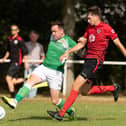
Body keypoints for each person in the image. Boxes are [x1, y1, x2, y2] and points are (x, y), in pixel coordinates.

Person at [46, 6, 126, 121]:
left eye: (89, 18)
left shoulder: (106, 28)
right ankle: (113, 88)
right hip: (87, 61)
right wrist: (68, 51)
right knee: (84, 91)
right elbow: (81, 44)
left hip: (95, 62)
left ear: (96, 16)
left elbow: (118, 44)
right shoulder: (89, 28)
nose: (88, 20)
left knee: (75, 85)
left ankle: (61, 114)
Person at [1, 21, 76, 119]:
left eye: (55, 31)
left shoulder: (68, 41)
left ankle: (70, 111)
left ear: (61, 31)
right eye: (52, 31)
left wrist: (69, 53)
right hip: (44, 67)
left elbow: (79, 49)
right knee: (30, 81)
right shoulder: (52, 36)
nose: (53, 34)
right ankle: (14, 101)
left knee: (55, 100)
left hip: (56, 72)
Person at [0, 24, 29, 98]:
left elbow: (25, 52)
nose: (13, 31)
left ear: (18, 31)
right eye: (12, 30)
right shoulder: (10, 39)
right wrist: (4, 58)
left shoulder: (20, 40)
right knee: (13, 81)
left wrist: (26, 63)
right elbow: (8, 51)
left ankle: (13, 96)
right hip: (12, 61)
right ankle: (26, 79)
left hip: (17, 62)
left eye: (15, 30)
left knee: (8, 78)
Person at [24, 30, 45, 98]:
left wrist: (40, 62)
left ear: (37, 37)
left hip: (36, 66)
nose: (33, 37)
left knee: (35, 82)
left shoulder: (40, 46)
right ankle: (24, 95)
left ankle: (32, 96)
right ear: (30, 36)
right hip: (28, 65)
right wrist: (26, 63)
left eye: (35, 36)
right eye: (32, 36)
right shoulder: (26, 45)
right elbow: (24, 54)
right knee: (27, 81)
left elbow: (43, 56)